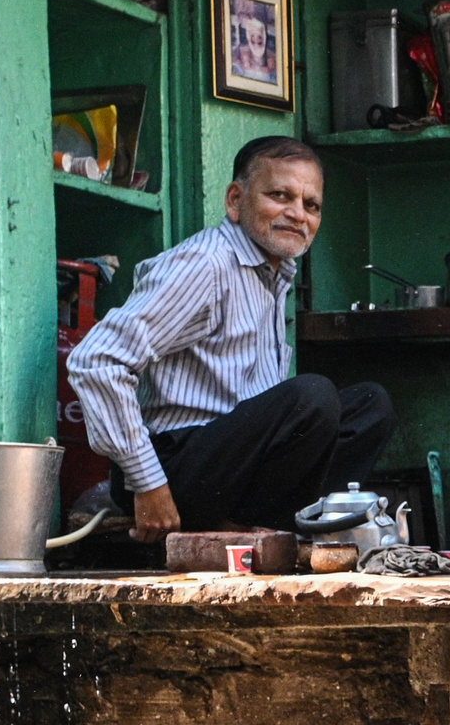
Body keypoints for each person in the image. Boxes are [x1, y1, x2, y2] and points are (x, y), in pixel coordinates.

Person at [69, 137, 394, 544]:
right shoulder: (206, 265)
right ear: (236, 200)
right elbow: (97, 361)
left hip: (230, 467)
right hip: (173, 469)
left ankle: (284, 530)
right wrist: (148, 483)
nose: (297, 214)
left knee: (370, 405)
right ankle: (246, 534)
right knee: (312, 396)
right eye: (280, 196)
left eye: (311, 205)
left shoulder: (272, 273)